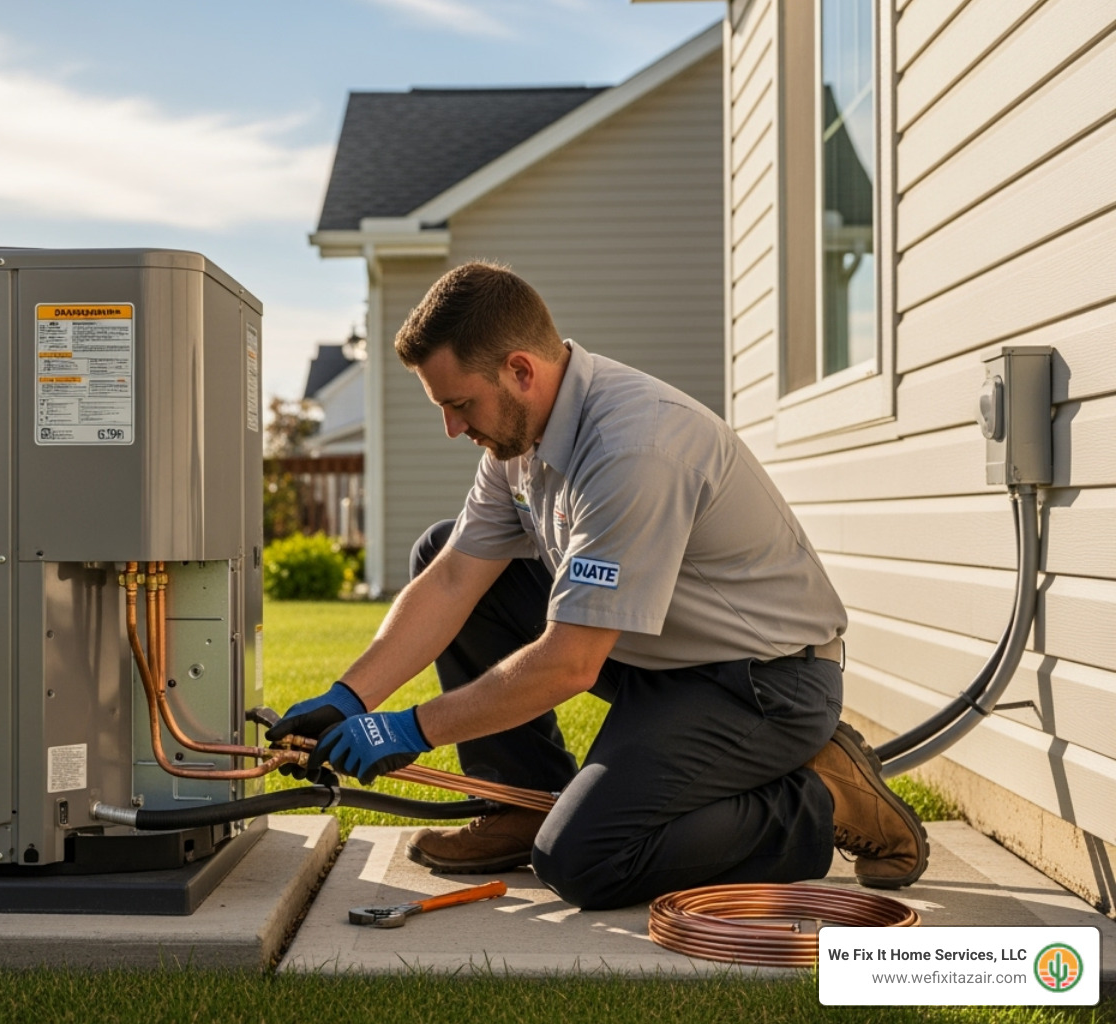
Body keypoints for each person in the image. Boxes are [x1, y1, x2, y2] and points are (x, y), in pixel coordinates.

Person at [266, 261, 928, 910]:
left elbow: (569, 664)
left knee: (585, 861)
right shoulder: (517, 443)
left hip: (760, 685)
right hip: (657, 658)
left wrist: (408, 729)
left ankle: (815, 799)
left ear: (521, 370)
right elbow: (454, 580)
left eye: (460, 404)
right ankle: (520, 803)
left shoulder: (633, 449)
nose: (453, 428)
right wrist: (348, 697)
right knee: (442, 546)